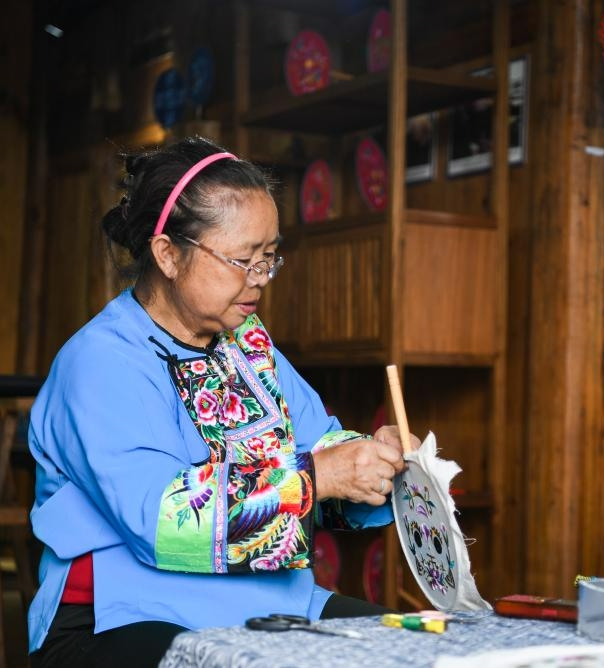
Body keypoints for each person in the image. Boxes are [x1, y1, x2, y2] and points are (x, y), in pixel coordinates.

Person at [27, 136, 416, 667]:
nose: (260, 279)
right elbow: (163, 520)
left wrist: (374, 463)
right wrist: (321, 476)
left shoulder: (248, 345)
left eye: (269, 258)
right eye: (243, 259)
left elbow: (320, 447)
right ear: (168, 254)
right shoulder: (99, 361)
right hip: (128, 612)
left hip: (274, 602)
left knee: (415, 653)